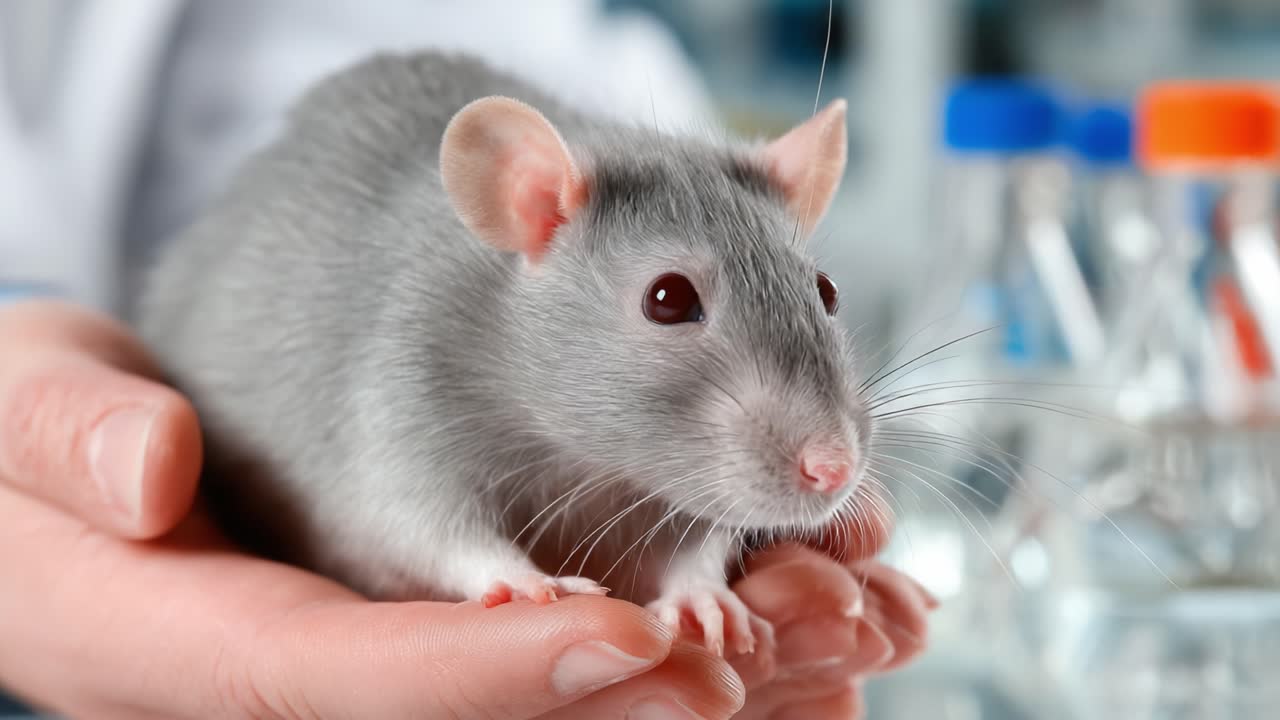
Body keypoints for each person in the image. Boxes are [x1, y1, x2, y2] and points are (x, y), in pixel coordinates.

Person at [0, 1, 935, 717]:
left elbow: (675, 483)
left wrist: (692, 576)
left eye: (821, 295)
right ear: (531, 211)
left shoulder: (676, 210)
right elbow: (393, 488)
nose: (830, 458)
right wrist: (486, 569)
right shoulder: (431, 331)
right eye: (671, 303)